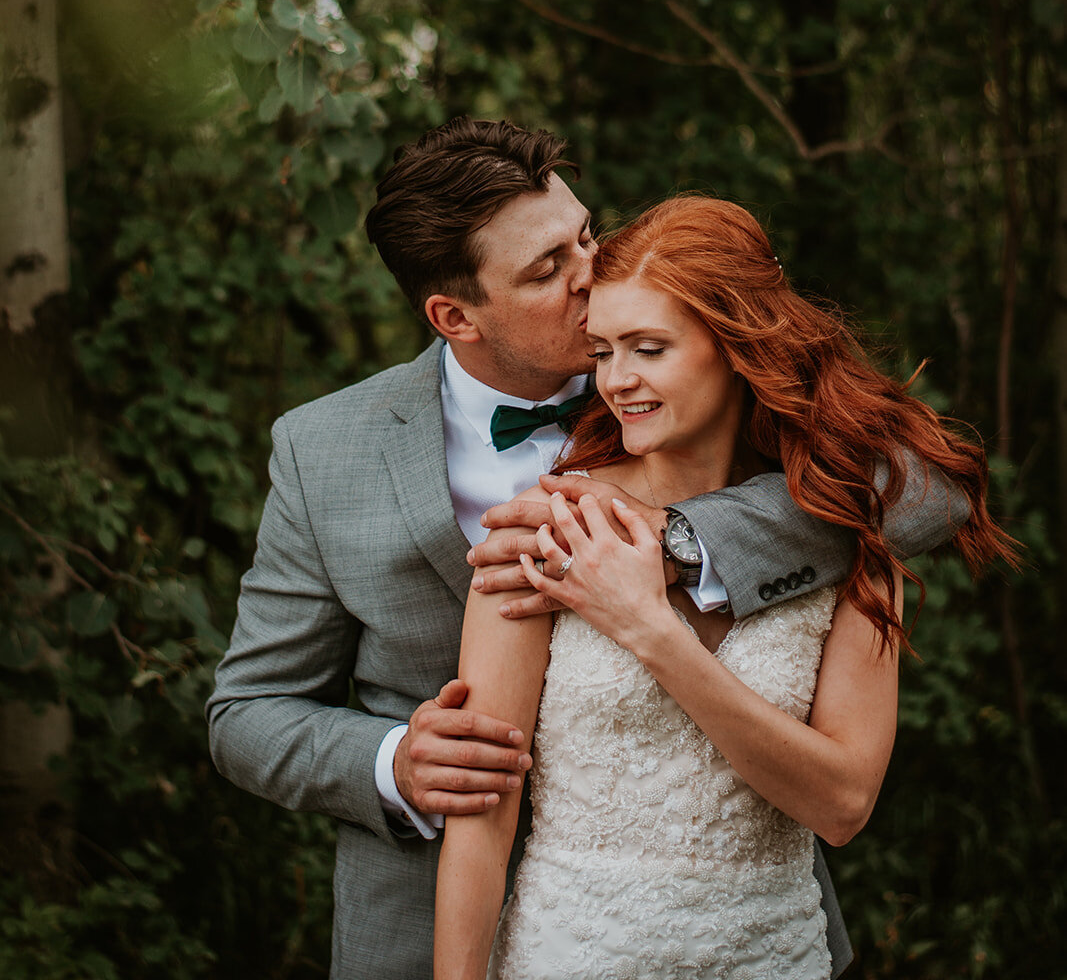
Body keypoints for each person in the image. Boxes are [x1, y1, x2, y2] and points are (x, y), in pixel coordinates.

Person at [207, 119, 970, 980]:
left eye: (584, 237)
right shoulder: (322, 450)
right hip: (432, 922)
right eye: (548, 270)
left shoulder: (683, 377)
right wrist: (397, 763)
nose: (593, 273)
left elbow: (927, 490)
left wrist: (678, 542)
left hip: (740, 921)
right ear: (455, 315)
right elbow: (246, 714)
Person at [433, 196, 1014, 980]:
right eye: (603, 351)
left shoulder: (845, 531)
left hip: (772, 956)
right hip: (568, 952)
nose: (617, 381)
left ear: (736, 345)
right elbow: (482, 822)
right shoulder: (551, 530)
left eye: (648, 348)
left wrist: (652, 630)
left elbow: (841, 807)